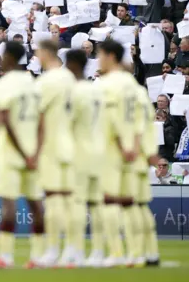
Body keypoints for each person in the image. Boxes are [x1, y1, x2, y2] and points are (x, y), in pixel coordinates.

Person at [0, 41, 45, 268]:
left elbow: (3, 118)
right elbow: (43, 120)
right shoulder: (33, 83)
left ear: (10, 59)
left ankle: (5, 256)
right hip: (33, 151)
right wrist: (34, 151)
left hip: (12, 151)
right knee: (35, 204)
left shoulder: (4, 84)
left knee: (9, 204)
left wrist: (22, 151)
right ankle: (39, 254)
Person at [96, 39, 140, 267]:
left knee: (109, 202)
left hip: (113, 148)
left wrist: (122, 146)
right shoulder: (132, 84)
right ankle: (136, 252)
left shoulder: (108, 84)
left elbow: (112, 119)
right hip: (132, 148)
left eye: (100, 54)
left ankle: (116, 252)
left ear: (110, 56)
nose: (98, 59)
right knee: (129, 202)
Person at [33, 39, 76, 267]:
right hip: (70, 144)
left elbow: (38, 119)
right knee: (69, 199)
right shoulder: (70, 78)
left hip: (51, 145)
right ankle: (72, 249)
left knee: (51, 199)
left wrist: (35, 150)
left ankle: (52, 250)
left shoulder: (46, 81)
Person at [65, 49, 105, 267]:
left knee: (77, 202)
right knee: (96, 204)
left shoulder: (75, 92)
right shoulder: (96, 91)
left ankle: (76, 250)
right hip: (99, 152)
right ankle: (98, 251)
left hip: (79, 152)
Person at [133, 83, 161, 267]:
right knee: (140, 207)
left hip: (128, 160)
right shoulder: (141, 95)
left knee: (126, 206)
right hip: (141, 158)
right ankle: (151, 253)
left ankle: (134, 253)